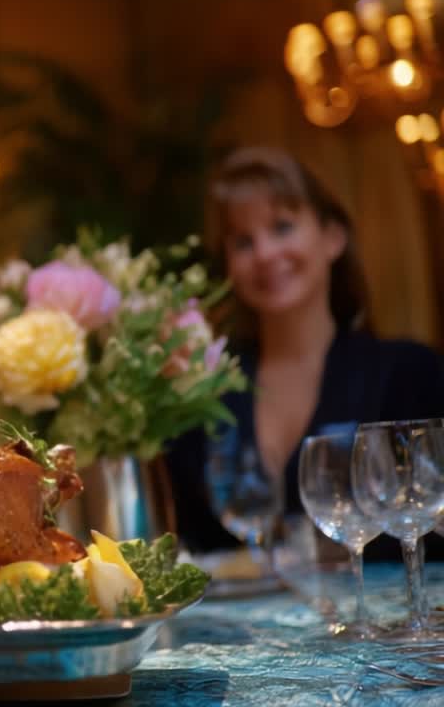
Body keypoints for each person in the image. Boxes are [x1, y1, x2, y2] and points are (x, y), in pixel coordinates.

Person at [165, 146, 444, 556]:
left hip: (391, 619)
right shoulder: (205, 392)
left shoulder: (410, 374)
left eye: (282, 227)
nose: (264, 253)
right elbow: (191, 548)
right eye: (243, 241)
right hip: (241, 620)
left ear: (333, 238)